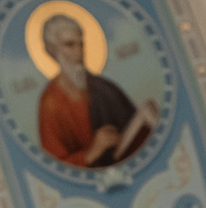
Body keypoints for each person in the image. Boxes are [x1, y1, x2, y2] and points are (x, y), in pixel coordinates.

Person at [35, 11, 155, 168]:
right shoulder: (50, 104)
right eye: (70, 45)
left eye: (81, 44)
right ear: (52, 49)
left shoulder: (105, 88)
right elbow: (55, 167)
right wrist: (92, 152)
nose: (79, 53)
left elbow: (136, 133)